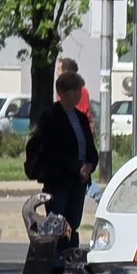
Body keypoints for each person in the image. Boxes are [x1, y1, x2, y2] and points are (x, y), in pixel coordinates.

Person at [30, 70, 98, 241]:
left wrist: (89, 165)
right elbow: (52, 151)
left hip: (79, 181)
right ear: (61, 92)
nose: (77, 94)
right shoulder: (51, 116)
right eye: (73, 90)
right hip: (59, 179)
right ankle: (55, 261)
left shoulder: (81, 118)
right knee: (58, 223)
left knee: (73, 224)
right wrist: (76, 167)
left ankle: (70, 259)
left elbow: (90, 149)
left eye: (79, 90)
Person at [57, 57, 92, 124]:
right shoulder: (60, 91)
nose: (57, 73)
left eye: (59, 70)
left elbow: (83, 112)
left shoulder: (81, 91)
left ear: (66, 72)